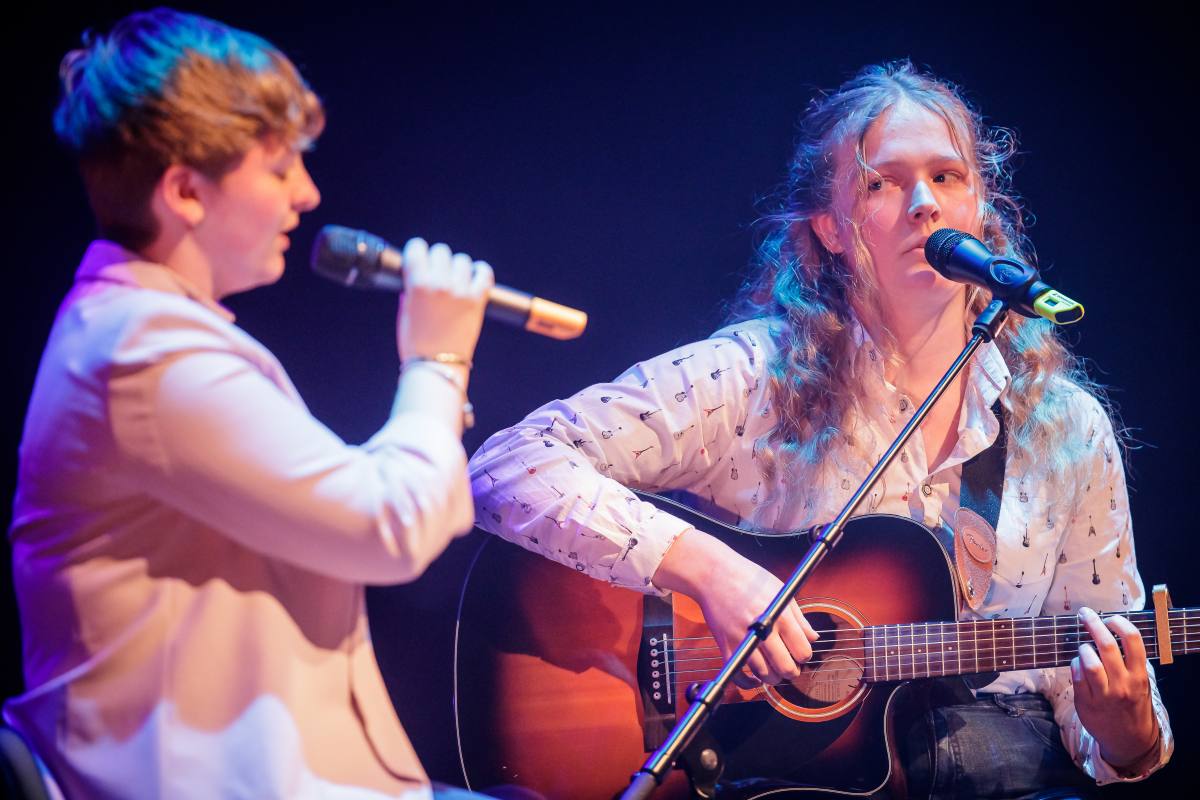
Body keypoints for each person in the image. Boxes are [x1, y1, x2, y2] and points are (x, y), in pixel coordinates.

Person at [468, 62, 1173, 796]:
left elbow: (1102, 706)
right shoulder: (752, 377)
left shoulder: (1064, 429)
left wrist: (1127, 732)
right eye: (882, 183)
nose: (924, 204)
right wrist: (710, 571)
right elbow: (507, 466)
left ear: (982, 210)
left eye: (947, 176)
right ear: (831, 229)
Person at [5, 8, 495, 799]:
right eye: (278, 169)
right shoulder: (143, 353)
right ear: (185, 192)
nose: (307, 194)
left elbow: (392, 509)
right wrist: (436, 358)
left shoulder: (151, 334)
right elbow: (390, 526)